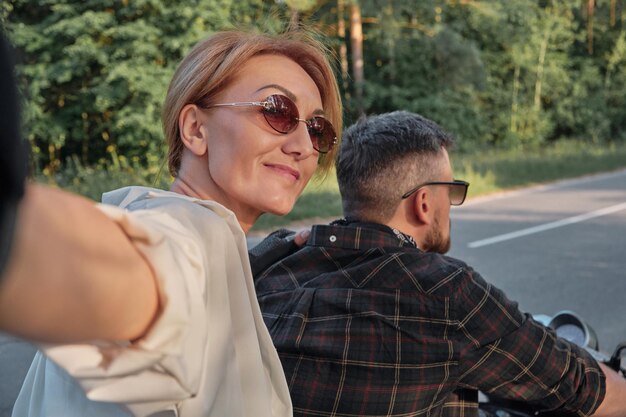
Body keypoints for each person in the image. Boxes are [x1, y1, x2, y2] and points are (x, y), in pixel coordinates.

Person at [0, 29, 342, 417]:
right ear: (195, 129)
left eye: (318, 129)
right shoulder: (190, 235)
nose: (301, 146)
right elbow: (146, 273)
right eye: (277, 110)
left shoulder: (216, 240)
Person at [252, 111, 626, 417]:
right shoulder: (447, 294)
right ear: (425, 203)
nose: (453, 205)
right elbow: (581, 387)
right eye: (452, 191)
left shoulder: (272, 264)